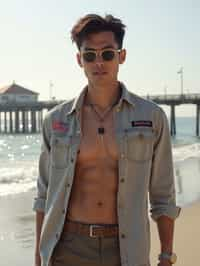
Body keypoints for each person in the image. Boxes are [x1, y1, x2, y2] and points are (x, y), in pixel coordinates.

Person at [33, 14, 181, 266]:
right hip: (67, 247)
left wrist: (167, 256)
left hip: (126, 249)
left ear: (121, 56)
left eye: (107, 54)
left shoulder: (152, 117)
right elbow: (44, 196)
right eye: (90, 55)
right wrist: (38, 259)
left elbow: (163, 194)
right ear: (80, 60)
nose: (98, 62)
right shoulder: (56, 121)